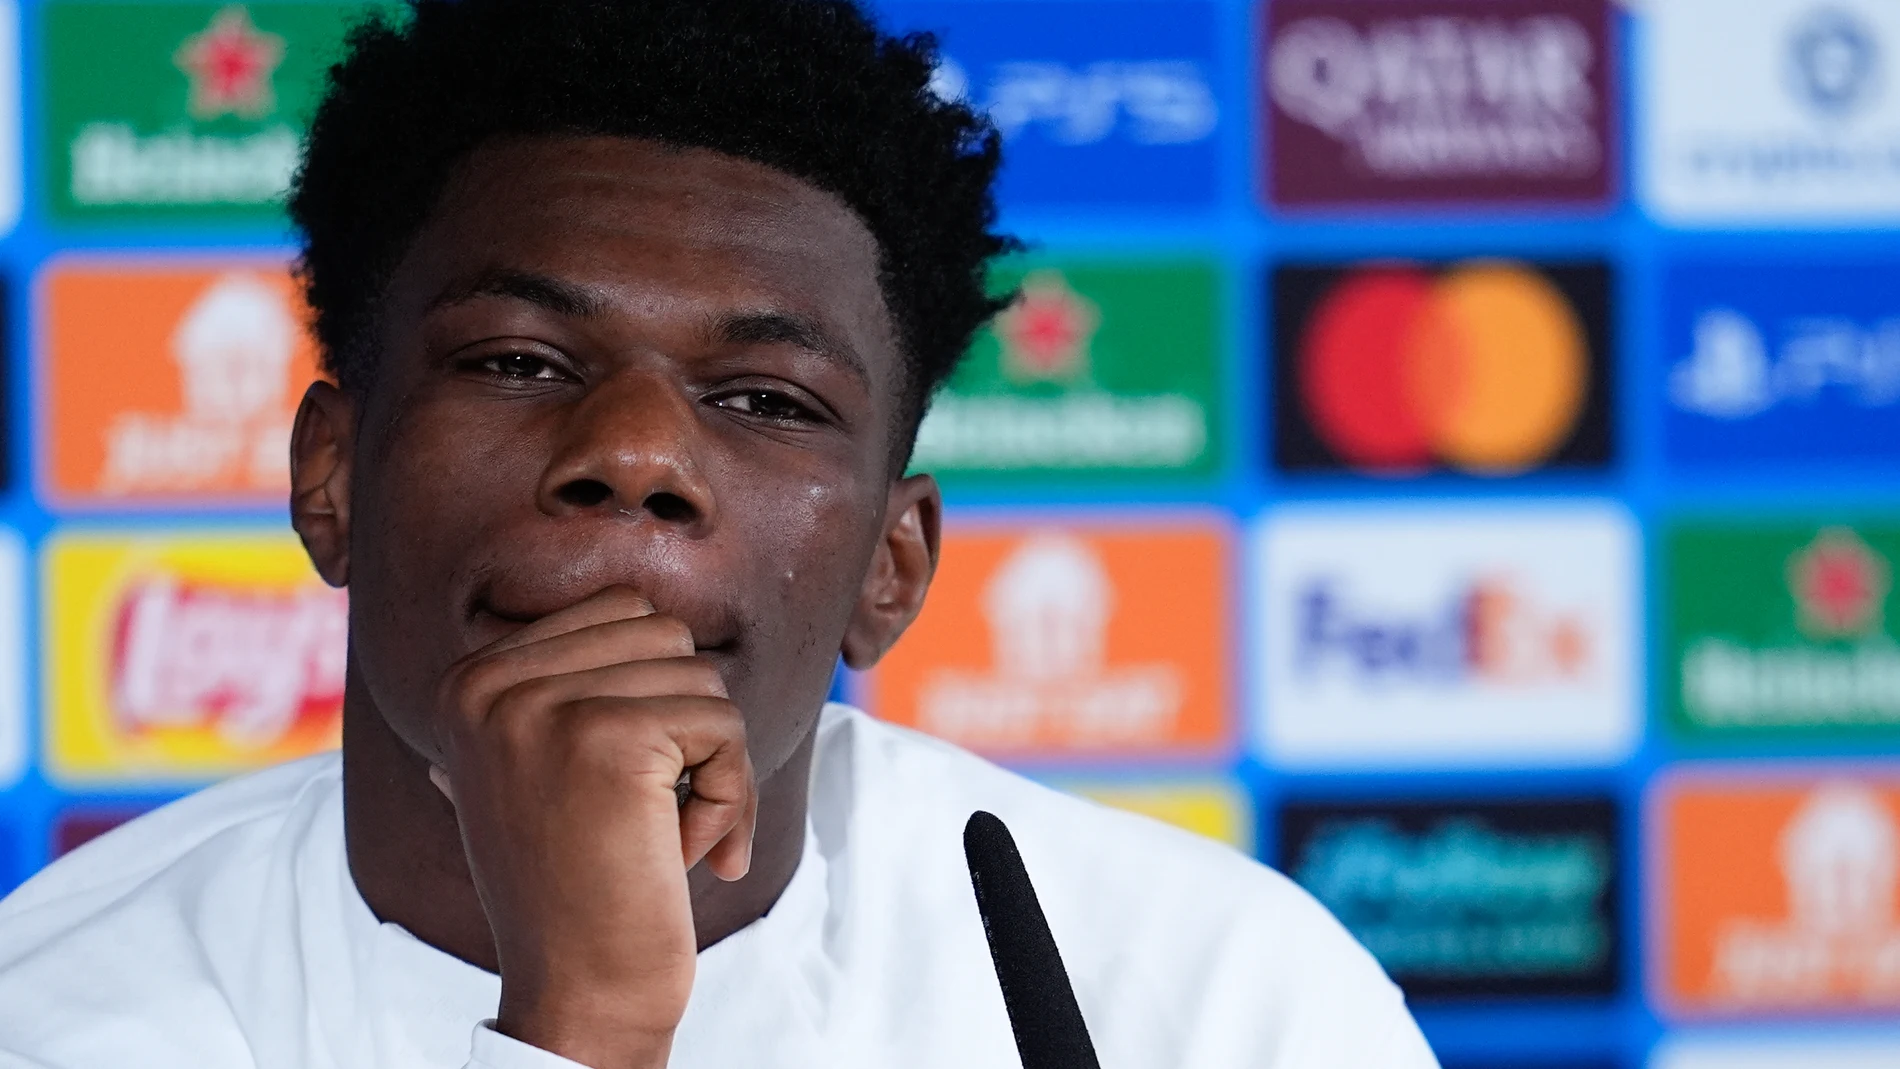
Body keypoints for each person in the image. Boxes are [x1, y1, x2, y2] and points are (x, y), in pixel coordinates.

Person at [0, 2, 1437, 1066]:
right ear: (332, 480)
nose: (632, 455)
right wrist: (588, 1025)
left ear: (895, 567)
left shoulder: (1219, 1000)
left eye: (765, 398)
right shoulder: (61, 1005)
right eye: (515, 362)